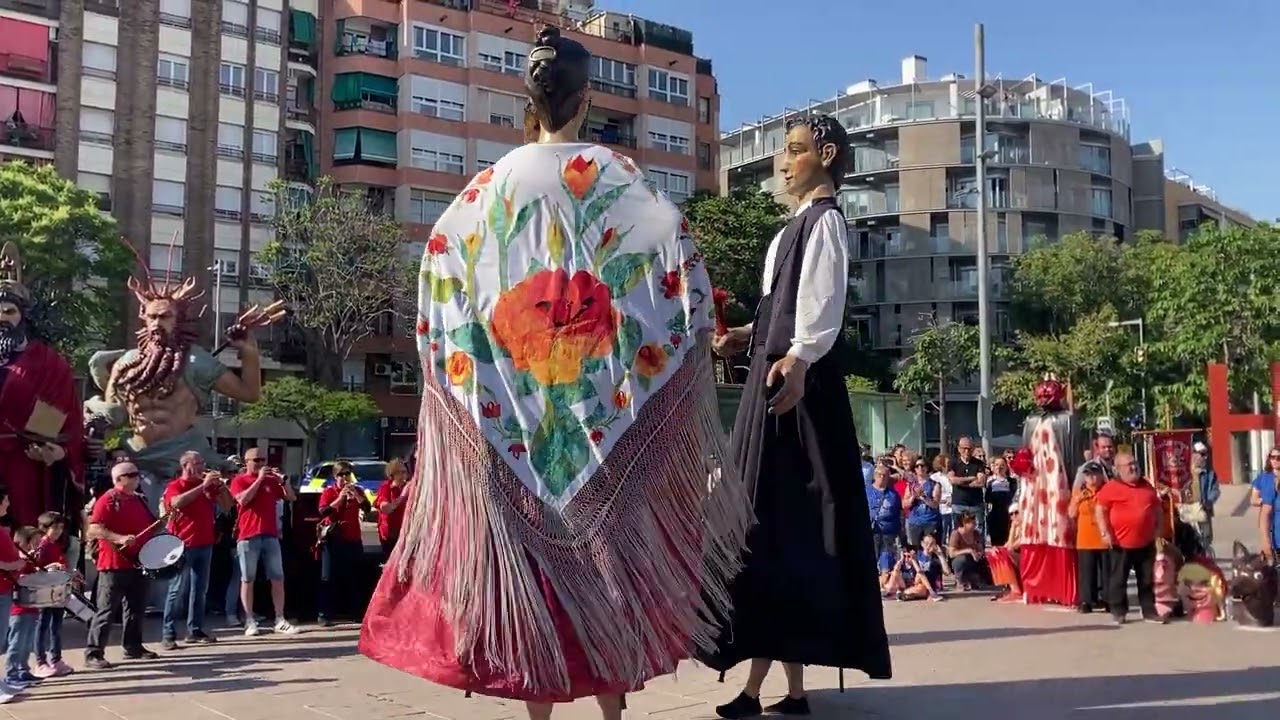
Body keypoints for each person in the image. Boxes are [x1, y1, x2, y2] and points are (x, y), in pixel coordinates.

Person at [359, 26, 753, 720]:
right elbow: (676, 262)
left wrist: (476, 374)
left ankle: (538, 709)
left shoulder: (485, 190)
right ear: (587, 100)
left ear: (528, 102)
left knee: (532, 580)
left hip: (513, 416)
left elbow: (442, 281)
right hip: (602, 411)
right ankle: (612, 714)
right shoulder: (620, 177)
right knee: (608, 569)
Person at [707, 111, 891, 719]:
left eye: (793, 150)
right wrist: (743, 336)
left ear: (827, 155)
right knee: (778, 530)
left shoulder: (825, 222)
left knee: (785, 527)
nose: (783, 163)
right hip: (776, 384)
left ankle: (770, 690)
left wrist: (798, 360)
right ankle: (789, 691)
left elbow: (820, 311)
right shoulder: (791, 229)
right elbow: (780, 313)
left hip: (796, 394)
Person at [84, 264, 285, 484]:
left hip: (182, 457)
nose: (157, 323)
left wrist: (249, 352)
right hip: (136, 457)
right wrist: (95, 430)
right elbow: (116, 415)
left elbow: (249, 393)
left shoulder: (197, 361)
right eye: (152, 317)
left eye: (165, 317)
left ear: (177, 319)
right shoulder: (126, 363)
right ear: (144, 317)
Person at [0, 242, 85, 529]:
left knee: (26, 531)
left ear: (23, 316)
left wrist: (58, 450)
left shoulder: (48, 363)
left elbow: (65, 421)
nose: (2, 318)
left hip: (25, 462)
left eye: (9, 311)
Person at [85, 461, 159, 669]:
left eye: (137, 474)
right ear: (119, 479)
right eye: (132, 475)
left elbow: (151, 526)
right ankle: (94, 653)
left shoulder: (139, 499)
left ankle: (133, 646)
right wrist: (119, 538)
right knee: (106, 610)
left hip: (138, 562)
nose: (137, 478)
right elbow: (94, 529)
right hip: (113, 564)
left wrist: (165, 520)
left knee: (136, 608)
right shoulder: (108, 499)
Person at [160, 450, 233, 648]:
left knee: (200, 590)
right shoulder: (175, 485)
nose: (202, 467)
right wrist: (203, 486)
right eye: (198, 463)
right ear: (185, 466)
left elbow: (228, 506)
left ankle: (195, 630)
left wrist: (222, 488)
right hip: (181, 545)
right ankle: (168, 634)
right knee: (176, 590)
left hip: (205, 543)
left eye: (202, 463)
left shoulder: (207, 486)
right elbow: (176, 502)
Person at [229, 447, 298, 636]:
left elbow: (291, 497)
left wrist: (284, 482)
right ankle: (249, 620)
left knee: (277, 577)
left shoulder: (271, 481)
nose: (261, 464)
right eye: (256, 460)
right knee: (248, 578)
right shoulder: (239, 480)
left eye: (263, 460)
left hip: (270, 535)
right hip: (248, 536)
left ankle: (280, 618)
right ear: (247, 462)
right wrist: (259, 480)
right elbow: (243, 500)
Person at [1095, 452, 1165, 625]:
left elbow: (1157, 509)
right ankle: (1119, 612)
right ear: (1118, 469)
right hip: (1120, 543)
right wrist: (1104, 532)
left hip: (1145, 542)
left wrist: (1158, 530)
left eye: (1135, 463)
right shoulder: (1111, 488)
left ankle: (1149, 611)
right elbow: (1100, 510)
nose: (1134, 467)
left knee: (1147, 579)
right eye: (1129, 465)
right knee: (1118, 580)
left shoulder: (1147, 486)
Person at [317, 460, 370, 626]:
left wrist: (357, 496)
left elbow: (367, 508)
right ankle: (324, 614)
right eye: (341, 474)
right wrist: (340, 498)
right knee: (328, 576)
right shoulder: (329, 492)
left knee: (356, 576)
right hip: (334, 538)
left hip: (353, 537)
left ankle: (356, 612)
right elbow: (323, 511)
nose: (344, 477)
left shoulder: (357, 490)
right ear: (335, 476)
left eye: (347, 474)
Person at [33, 512, 72, 677]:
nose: (58, 531)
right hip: (45, 591)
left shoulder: (55, 545)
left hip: (57, 590)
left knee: (56, 626)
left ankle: (56, 659)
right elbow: (36, 567)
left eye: (61, 528)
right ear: (44, 528)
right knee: (43, 625)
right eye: (54, 527)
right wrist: (53, 566)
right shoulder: (42, 545)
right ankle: (40, 662)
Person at [1069, 461, 1110, 613]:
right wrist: (1078, 499)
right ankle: (1087, 600)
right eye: (1088, 475)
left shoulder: (1107, 491)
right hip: (1085, 538)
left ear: (1100, 476)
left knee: (1107, 571)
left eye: (1095, 474)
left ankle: (1108, 599)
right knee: (1086, 572)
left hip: (1104, 537)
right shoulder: (1079, 492)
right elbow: (1071, 514)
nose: (1092, 478)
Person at [867, 464, 902, 590]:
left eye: (885, 475)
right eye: (879, 475)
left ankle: (884, 585)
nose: (882, 477)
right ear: (874, 476)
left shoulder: (893, 494)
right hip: (873, 531)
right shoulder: (867, 491)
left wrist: (899, 531)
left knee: (886, 558)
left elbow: (899, 513)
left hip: (889, 532)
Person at [948, 436, 987, 539]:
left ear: (973, 448)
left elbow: (980, 482)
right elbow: (952, 480)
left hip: (976, 504)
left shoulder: (979, 463)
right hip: (959, 503)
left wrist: (960, 482)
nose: (967, 451)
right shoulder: (953, 463)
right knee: (958, 532)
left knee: (978, 532)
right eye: (964, 448)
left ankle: (979, 549)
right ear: (959, 449)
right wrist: (971, 478)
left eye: (969, 448)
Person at [374, 457, 410, 561]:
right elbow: (385, 508)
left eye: (405, 472)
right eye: (400, 472)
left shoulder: (408, 487)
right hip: (390, 534)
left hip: (406, 533)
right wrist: (402, 497)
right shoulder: (386, 487)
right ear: (392, 474)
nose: (403, 476)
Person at [903, 455, 942, 547]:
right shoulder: (911, 485)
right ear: (914, 469)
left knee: (931, 548)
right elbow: (904, 504)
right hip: (914, 522)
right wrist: (913, 496)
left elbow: (935, 504)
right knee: (915, 549)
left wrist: (924, 496)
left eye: (922, 465)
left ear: (927, 467)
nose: (920, 468)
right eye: (917, 466)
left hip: (930, 521)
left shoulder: (934, 484)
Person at [1186, 442, 1219, 547]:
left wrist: (1209, 501)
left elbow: (1215, 490)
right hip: (1188, 510)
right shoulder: (1185, 473)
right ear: (1194, 454)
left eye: (1206, 454)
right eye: (1202, 454)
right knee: (1189, 538)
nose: (1205, 457)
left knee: (1206, 538)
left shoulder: (1210, 473)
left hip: (1203, 510)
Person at [947, 512, 988, 591]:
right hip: (959, 561)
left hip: (973, 561)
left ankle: (973, 579)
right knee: (962, 559)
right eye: (972, 523)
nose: (975, 525)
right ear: (964, 523)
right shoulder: (956, 534)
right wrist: (968, 550)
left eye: (975, 523)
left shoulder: (976, 533)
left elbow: (980, 548)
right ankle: (959, 581)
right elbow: (951, 553)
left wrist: (979, 554)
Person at [985, 456, 1018, 546]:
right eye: (997, 465)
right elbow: (987, 499)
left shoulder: (1012, 481)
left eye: (1002, 465)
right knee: (995, 542)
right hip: (994, 515)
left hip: (1007, 515)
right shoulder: (990, 483)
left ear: (1006, 467)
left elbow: (1012, 496)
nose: (999, 467)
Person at [1256, 447, 1280, 562]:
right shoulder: (1268, 480)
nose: (1275, 460)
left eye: (1278, 458)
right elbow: (1265, 513)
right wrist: (1265, 541)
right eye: (1273, 457)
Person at [931, 454, 955, 540]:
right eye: (947, 463)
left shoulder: (953, 475)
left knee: (953, 533)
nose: (949, 465)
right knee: (942, 533)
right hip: (941, 510)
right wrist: (944, 501)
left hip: (953, 509)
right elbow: (932, 495)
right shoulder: (934, 477)